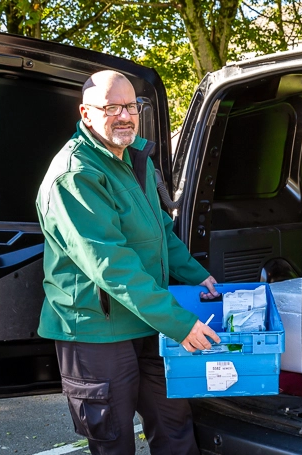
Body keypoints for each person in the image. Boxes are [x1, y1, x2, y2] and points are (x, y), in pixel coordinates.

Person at [36, 70, 220, 455]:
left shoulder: (135, 158)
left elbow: (159, 231)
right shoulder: (75, 175)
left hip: (147, 321)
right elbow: (111, 264)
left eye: (131, 106)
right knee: (114, 442)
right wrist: (179, 322)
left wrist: (196, 275)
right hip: (96, 332)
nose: (124, 116)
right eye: (111, 108)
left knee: (174, 427)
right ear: (86, 113)